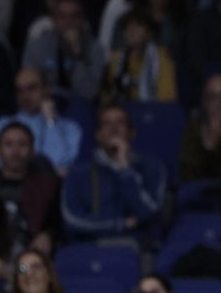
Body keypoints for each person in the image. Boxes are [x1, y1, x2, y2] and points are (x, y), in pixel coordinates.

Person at [62, 104, 167, 242]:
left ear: (132, 133)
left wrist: (125, 169)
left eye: (120, 122)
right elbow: (72, 219)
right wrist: (121, 223)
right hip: (92, 247)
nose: (113, 128)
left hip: (137, 247)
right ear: (98, 135)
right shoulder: (78, 173)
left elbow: (149, 212)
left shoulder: (152, 167)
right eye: (107, 123)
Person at [0, 68, 81, 175]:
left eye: (31, 88)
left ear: (47, 90)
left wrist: (50, 122)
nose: (25, 96)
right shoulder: (4, 125)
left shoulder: (70, 128)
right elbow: (3, 165)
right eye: (20, 90)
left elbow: (53, 162)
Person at [101, 11, 179, 104]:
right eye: (127, 26)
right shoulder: (116, 58)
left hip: (152, 112)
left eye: (138, 25)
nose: (131, 30)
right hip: (122, 112)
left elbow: (167, 98)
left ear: (150, 32)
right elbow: (106, 94)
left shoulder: (162, 57)